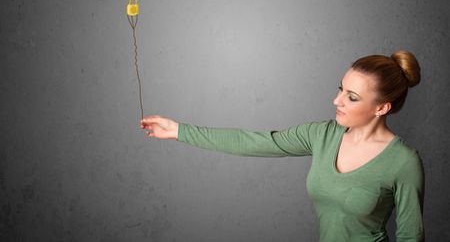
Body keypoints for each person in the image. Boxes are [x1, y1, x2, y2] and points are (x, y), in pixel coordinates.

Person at [140, 50, 425, 242]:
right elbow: (254, 142)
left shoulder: (403, 162)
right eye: (340, 89)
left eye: (352, 97)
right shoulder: (322, 135)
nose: (336, 101)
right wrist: (180, 130)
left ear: (381, 107)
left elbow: (411, 237)